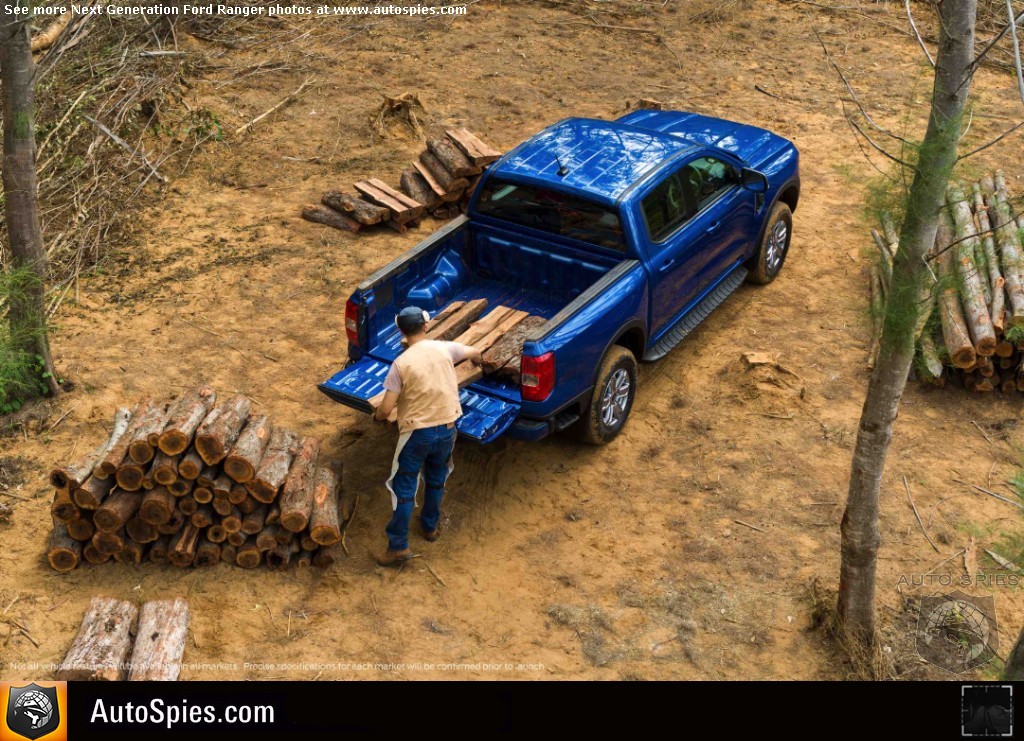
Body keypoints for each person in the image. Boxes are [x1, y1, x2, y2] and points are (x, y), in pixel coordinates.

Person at [373, 306, 481, 566]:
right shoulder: (444, 349)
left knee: (404, 486)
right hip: (446, 429)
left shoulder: (401, 364)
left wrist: (377, 417)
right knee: (436, 478)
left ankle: (398, 546)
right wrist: (479, 363)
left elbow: (387, 408)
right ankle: (430, 527)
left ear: (401, 331)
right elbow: (474, 352)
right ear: (425, 326)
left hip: (417, 434)